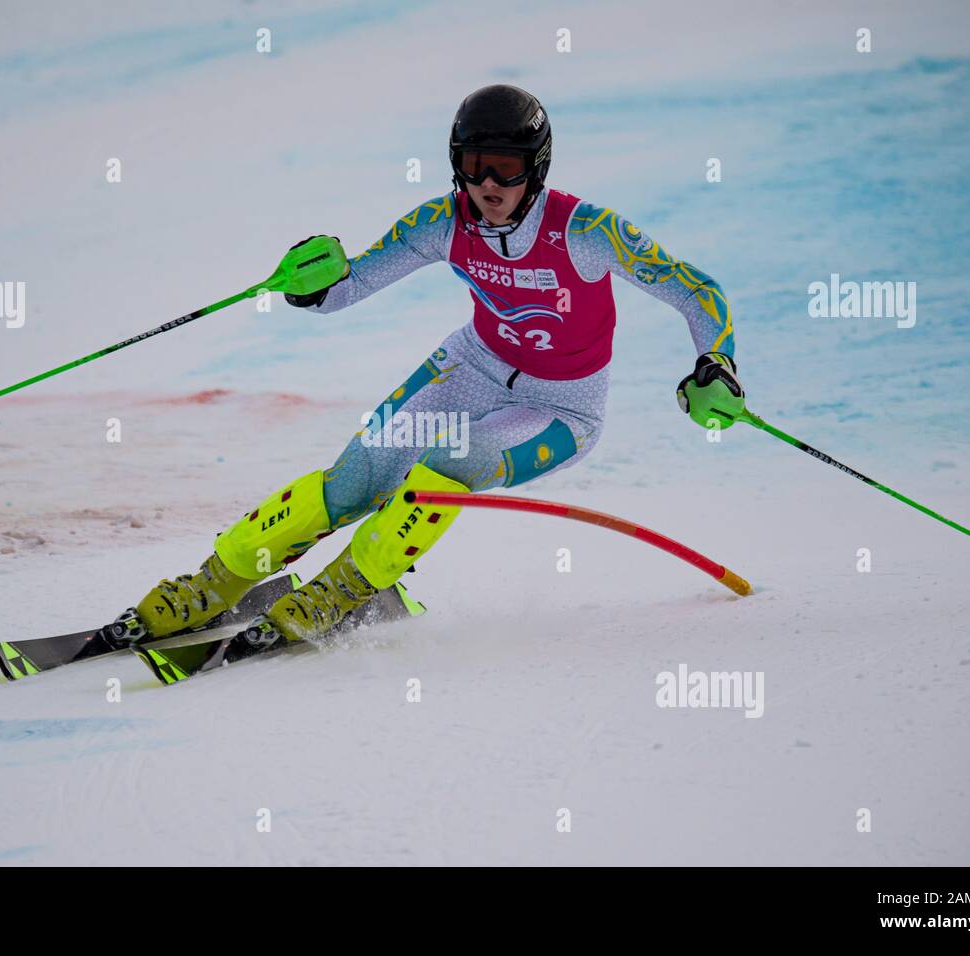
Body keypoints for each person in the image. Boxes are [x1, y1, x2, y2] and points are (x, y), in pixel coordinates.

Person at [126, 83, 745, 661]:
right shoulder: (443, 222)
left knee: (457, 461)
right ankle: (214, 582)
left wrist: (716, 361)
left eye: (506, 166)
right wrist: (311, 285)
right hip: (472, 366)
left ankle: (345, 589)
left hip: (564, 407)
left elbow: (696, 290)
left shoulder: (585, 232)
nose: (488, 183)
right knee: (354, 480)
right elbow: (352, 284)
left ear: (536, 167)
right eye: (474, 164)